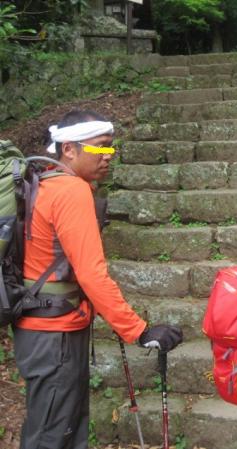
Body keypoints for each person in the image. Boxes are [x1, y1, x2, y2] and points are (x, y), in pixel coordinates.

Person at [13, 110, 183, 449]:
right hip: (54, 335)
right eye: (100, 148)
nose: (108, 157)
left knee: (58, 427)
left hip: (43, 327)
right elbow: (91, 274)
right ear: (69, 150)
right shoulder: (72, 192)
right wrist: (138, 330)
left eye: (110, 148)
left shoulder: (45, 183)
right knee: (53, 434)